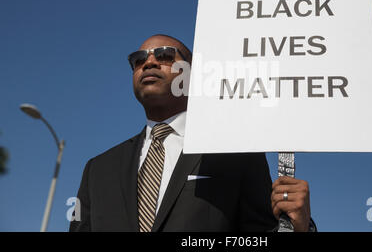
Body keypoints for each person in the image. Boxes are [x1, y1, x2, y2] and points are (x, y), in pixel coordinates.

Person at [69, 34, 315, 232]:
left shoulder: (236, 153)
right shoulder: (98, 169)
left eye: (165, 55)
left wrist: (299, 227)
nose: (149, 62)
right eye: (138, 59)